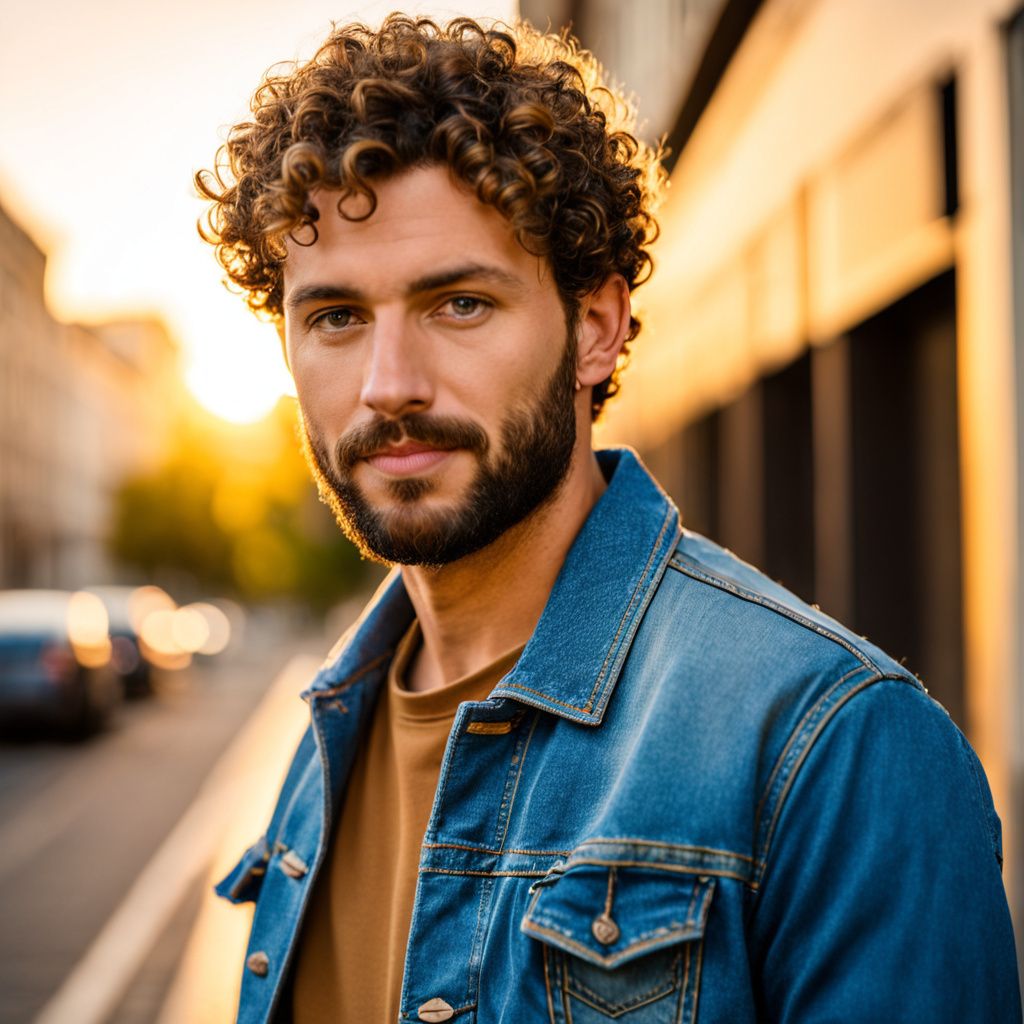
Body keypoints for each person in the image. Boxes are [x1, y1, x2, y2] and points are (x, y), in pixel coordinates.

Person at [197, 14, 1020, 1024]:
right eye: (335, 317)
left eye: (458, 304)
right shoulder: (329, 734)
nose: (388, 386)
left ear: (595, 326)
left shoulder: (835, 746)